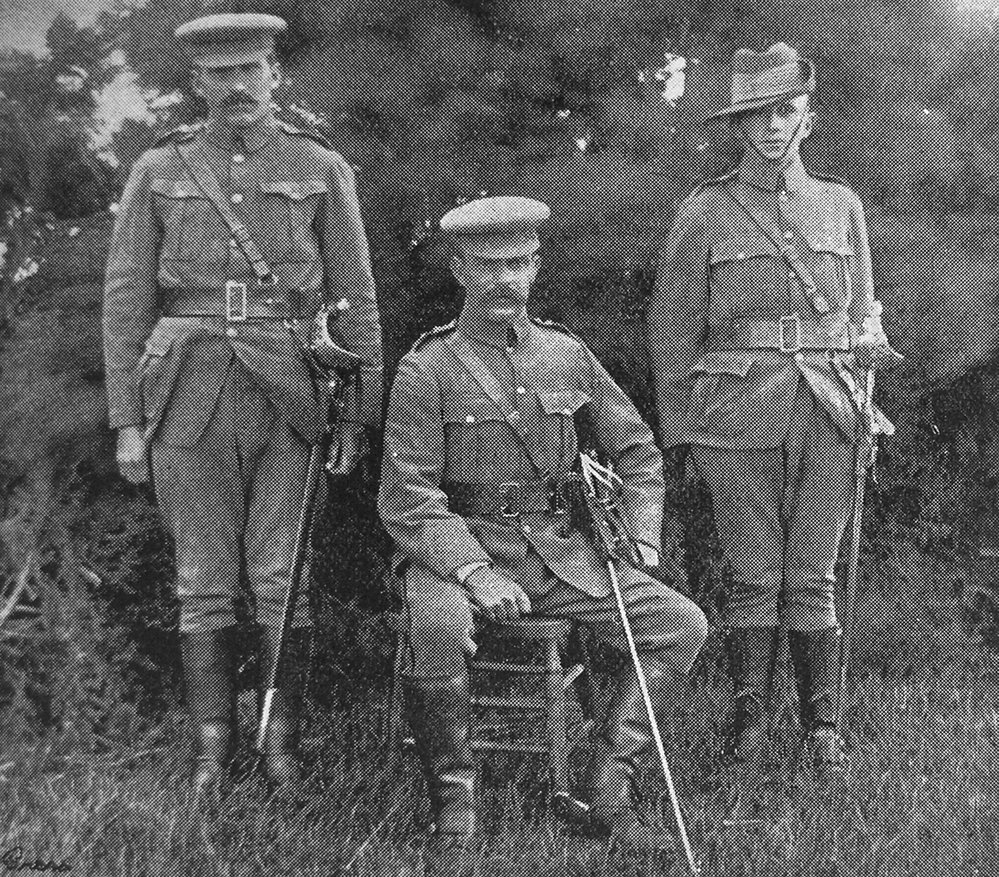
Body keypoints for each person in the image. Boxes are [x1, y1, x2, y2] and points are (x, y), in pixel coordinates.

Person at [378, 196, 707, 873]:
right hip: (452, 557)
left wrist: (642, 537)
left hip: (560, 555)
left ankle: (608, 793)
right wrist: (474, 572)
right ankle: (455, 803)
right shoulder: (427, 369)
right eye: (487, 265)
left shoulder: (566, 354)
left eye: (517, 264)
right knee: (436, 627)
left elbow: (638, 450)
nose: (503, 280)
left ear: (535, 266)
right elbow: (407, 497)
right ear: (458, 269)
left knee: (682, 623)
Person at [102, 12, 384, 794]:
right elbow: (125, 299)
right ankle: (211, 745)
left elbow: (355, 295)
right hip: (183, 390)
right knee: (200, 577)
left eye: (249, 70)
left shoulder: (318, 164)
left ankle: (280, 743)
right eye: (219, 75)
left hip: (290, 392)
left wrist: (355, 413)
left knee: (279, 575)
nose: (236, 87)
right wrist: (127, 419)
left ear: (273, 75)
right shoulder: (160, 169)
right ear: (197, 83)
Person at [648, 44, 900, 797]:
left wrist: (868, 357)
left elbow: (861, 315)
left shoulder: (840, 205)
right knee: (753, 575)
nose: (769, 127)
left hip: (828, 407)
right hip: (734, 414)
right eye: (754, 114)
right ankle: (749, 717)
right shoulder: (704, 211)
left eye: (784, 110)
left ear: (808, 118)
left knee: (812, 574)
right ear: (737, 126)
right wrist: (680, 434)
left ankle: (821, 724)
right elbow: (669, 335)